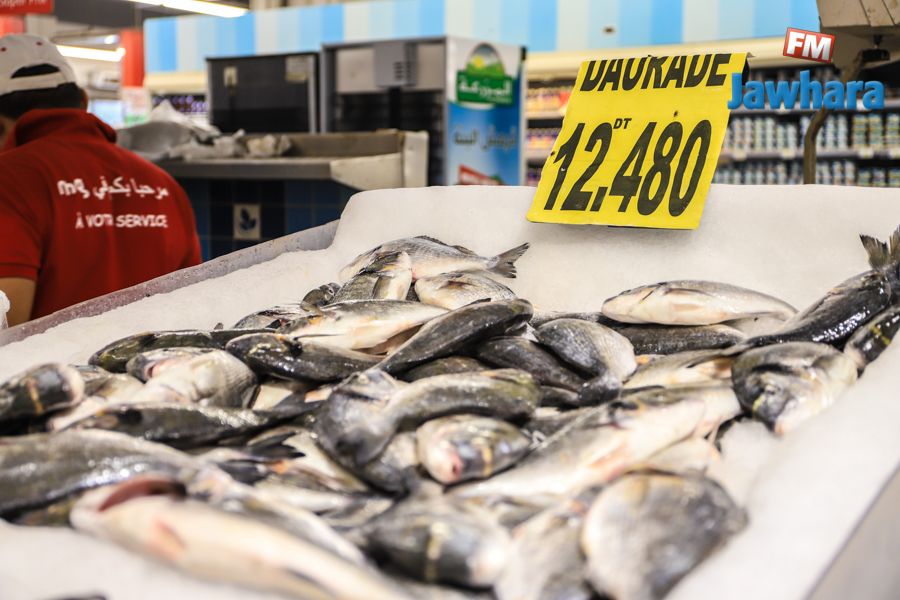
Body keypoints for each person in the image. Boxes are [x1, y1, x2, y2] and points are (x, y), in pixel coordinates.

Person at [0, 34, 201, 326]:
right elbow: (194, 307)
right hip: (156, 356)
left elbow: (7, 323)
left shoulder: (9, 180)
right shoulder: (163, 185)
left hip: (55, 358)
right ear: (83, 101)